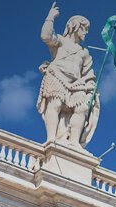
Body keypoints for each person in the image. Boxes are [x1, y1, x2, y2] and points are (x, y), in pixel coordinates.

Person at [38, 2, 99, 148]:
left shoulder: (84, 53)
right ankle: (51, 138)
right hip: (57, 76)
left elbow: (88, 73)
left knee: (82, 109)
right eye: (84, 28)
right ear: (75, 26)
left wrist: (91, 87)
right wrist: (50, 18)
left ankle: (74, 142)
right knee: (55, 104)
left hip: (76, 84)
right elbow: (45, 36)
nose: (86, 32)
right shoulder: (60, 41)